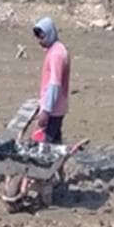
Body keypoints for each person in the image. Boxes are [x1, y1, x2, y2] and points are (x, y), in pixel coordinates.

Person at [32, 16, 71, 144]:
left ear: (50, 34)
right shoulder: (56, 49)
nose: (39, 41)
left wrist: (46, 110)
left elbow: (55, 84)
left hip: (54, 109)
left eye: (42, 37)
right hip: (55, 106)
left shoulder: (56, 54)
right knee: (55, 142)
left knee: (45, 144)